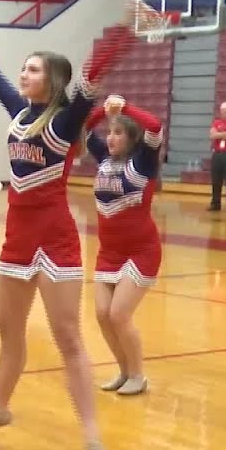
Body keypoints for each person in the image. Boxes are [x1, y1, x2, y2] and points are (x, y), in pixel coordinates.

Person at [0, 0, 155, 450]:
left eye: (35, 69)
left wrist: (125, 25)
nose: (24, 74)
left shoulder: (66, 119)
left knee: (69, 340)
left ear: (54, 80)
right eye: (25, 68)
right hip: (15, 240)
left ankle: (92, 439)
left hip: (58, 239)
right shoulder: (19, 111)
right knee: (10, 338)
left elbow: (93, 68)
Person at [84, 95, 163, 396]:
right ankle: (123, 371)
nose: (111, 137)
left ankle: (139, 375)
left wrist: (125, 108)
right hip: (109, 252)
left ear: (132, 138)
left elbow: (154, 125)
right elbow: (84, 130)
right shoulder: (104, 158)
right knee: (102, 315)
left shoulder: (143, 162)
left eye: (119, 132)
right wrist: (102, 112)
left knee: (119, 314)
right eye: (110, 131)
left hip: (141, 250)